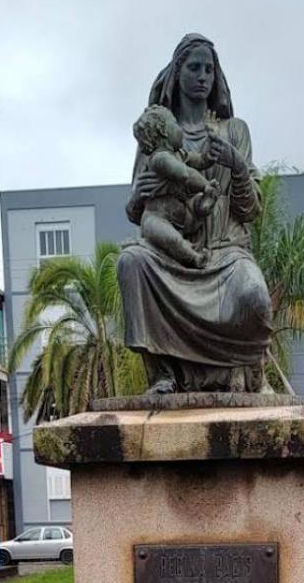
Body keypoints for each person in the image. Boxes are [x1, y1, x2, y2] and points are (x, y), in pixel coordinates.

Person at [117, 33, 274, 395]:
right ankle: (163, 374)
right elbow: (137, 212)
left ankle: (250, 370)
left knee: (255, 297)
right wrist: (137, 196)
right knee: (131, 262)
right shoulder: (158, 132)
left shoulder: (235, 131)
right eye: (194, 67)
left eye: (209, 69)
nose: (203, 76)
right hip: (172, 253)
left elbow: (250, 209)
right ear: (177, 73)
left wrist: (235, 164)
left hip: (226, 252)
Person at [131, 103, 218, 270]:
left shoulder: (180, 154)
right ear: (164, 131)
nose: (180, 129)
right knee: (171, 239)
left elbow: (202, 160)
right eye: (175, 124)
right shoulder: (160, 159)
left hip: (183, 215)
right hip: (157, 218)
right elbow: (184, 174)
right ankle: (194, 257)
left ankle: (202, 206)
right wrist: (205, 186)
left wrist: (212, 139)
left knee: (196, 203)